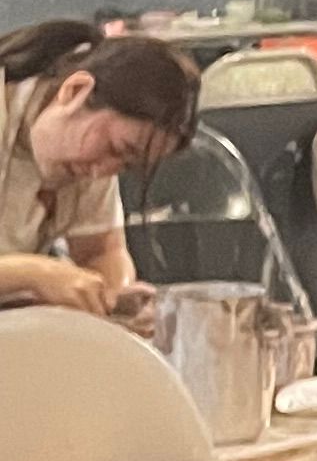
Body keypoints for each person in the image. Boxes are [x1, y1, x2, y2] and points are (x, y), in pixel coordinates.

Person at [0, 21, 193, 315]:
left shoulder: (90, 157)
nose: (101, 171)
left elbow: (101, 250)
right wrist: (35, 274)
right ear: (75, 91)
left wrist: (116, 297)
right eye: (117, 149)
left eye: (127, 164)